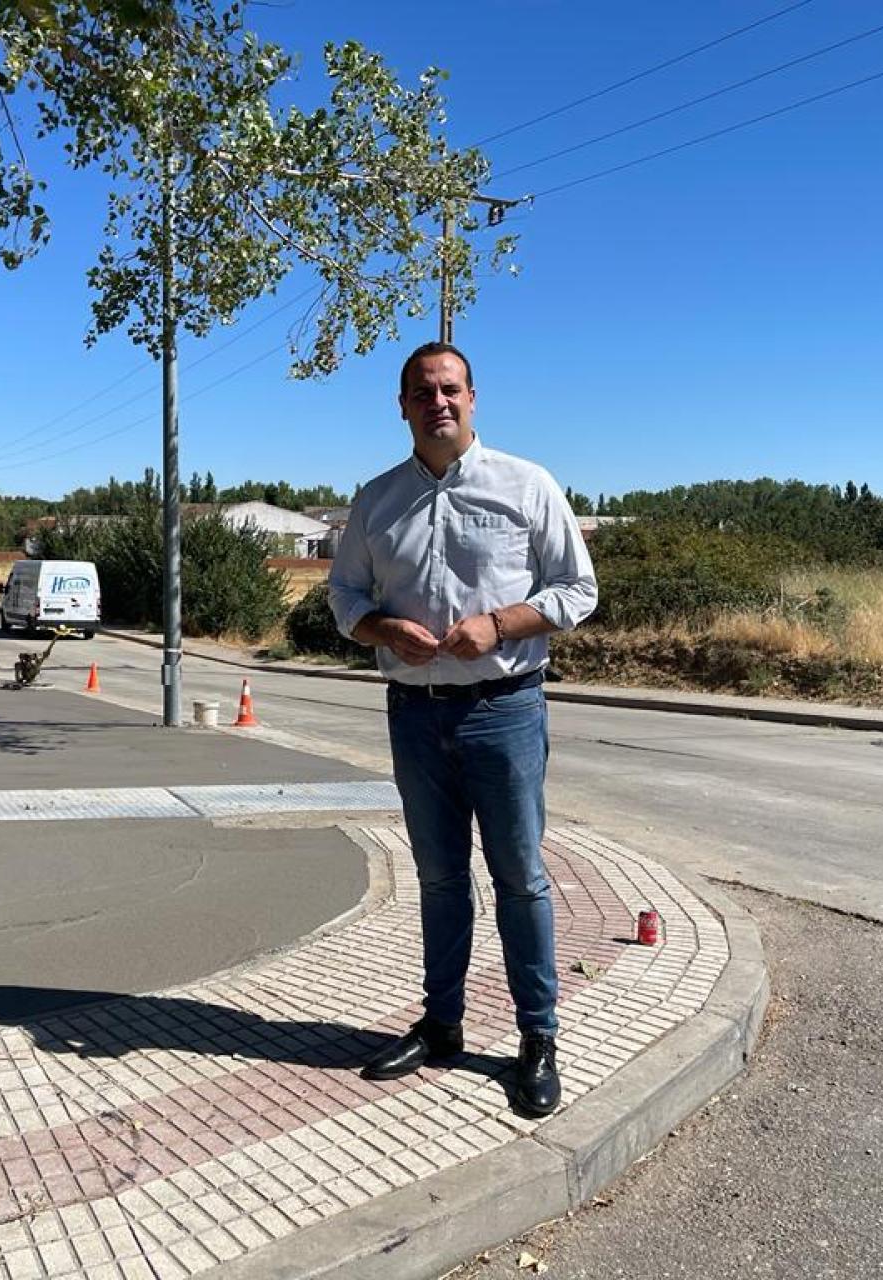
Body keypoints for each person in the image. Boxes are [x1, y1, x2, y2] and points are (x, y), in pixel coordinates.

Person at [327, 341, 597, 1117]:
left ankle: (536, 1041)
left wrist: (503, 625)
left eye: (449, 389)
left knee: (520, 880)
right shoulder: (376, 500)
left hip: (504, 708)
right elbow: (345, 596)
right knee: (441, 881)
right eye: (421, 391)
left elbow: (579, 590)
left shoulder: (527, 485)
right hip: (415, 714)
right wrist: (381, 630)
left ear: (473, 398)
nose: (436, 402)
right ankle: (442, 1026)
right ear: (402, 405)